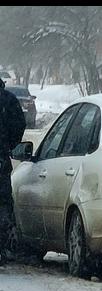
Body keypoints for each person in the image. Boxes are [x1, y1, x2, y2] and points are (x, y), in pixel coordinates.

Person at [0, 77, 26, 264]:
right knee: (3, 203)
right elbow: (19, 125)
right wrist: (8, 145)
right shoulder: (7, 100)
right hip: (0, 159)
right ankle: (3, 247)